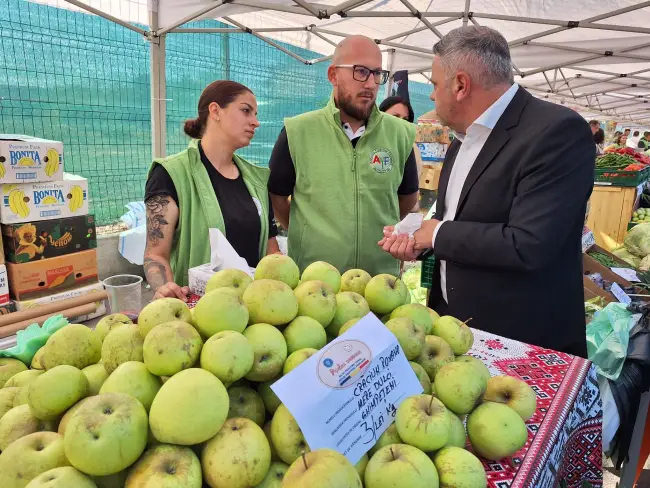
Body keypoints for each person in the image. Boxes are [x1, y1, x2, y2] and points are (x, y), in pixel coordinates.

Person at [379, 26, 594, 356]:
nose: (433, 96)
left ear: (461, 85)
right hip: (455, 328)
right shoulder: (461, 140)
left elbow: (529, 244)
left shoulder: (556, 132)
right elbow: (458, 217)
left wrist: (437, 235)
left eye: (436, 85)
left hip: (519, 341)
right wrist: (418, 240)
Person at [268, 35, 419, 276]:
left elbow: (408, 198)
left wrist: (376, 233)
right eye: (360, 71)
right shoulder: (298, 132)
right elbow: (277, 198)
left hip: (379, 281)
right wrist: (309, 234)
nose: (370, 83)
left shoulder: (400, 134)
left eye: (377, 73)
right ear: (333, 75)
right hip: (314, 283)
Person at [144, 80, 280, 300]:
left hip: (257, 309)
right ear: (215, 111)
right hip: (201, 311)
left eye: (255, 114)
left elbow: (270, 249)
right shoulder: (171, 174)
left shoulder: (256, 179)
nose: (256, 122)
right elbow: (155, 255)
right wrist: (167, 289)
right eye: (246, 111)